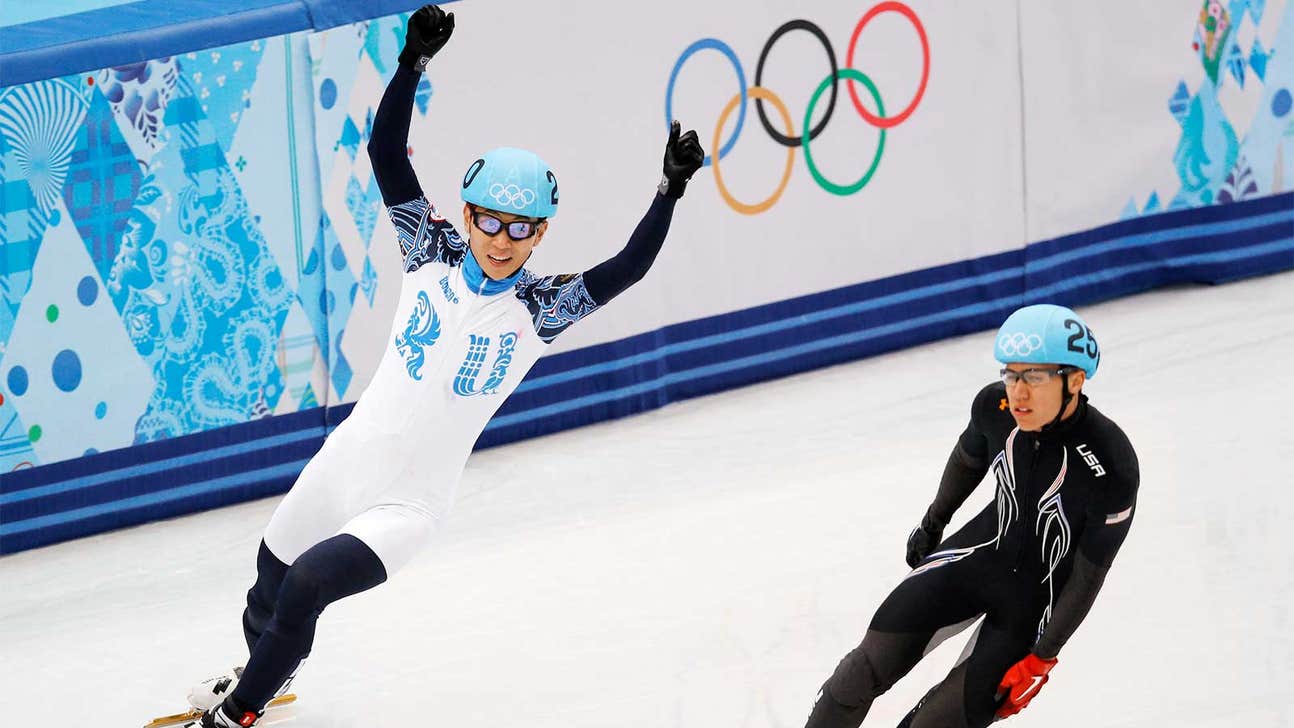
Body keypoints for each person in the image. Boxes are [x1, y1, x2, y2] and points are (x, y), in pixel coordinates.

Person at [182, 5, 706, 726]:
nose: (501, 238)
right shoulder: (429, 254)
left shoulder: (540, 309)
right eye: (488, 219)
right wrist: (411, 61)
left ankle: (236, 714)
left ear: (540, 234)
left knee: (305, 586)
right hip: (346, 462)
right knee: (269, 583)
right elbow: (386, 155)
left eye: (520, 229)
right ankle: (262, 679)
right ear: (466, 215)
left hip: (408, 506)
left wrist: (667, 193)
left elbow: (628, 270)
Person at [805, 304, 1140, 727]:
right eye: (1011, 374)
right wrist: (934, 521)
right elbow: (969, 458)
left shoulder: (1112, 464)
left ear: (1074, 380)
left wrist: (1042, 658)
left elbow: (1088, 576)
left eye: (1033, 377)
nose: (1017, 392)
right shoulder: (992, 406)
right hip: (975, 558)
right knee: (856, 675)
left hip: (1031, 607)